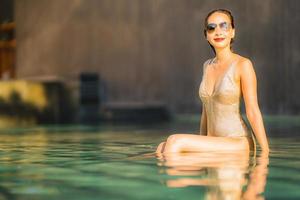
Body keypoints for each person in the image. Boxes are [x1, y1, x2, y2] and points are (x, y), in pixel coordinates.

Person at [156, 8, 269, 154]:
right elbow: (206, 112)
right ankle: (202, 175)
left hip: (237, 141)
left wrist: (265, 153)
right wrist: (200, 142)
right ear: (206, 36)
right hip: (215, 142)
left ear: (232, 32)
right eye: (211, 28)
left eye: (224, 26)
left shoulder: (243, 64)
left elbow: (253, 111)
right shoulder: (207, 66)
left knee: (175, 142)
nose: (218, 31)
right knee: (161, 148)